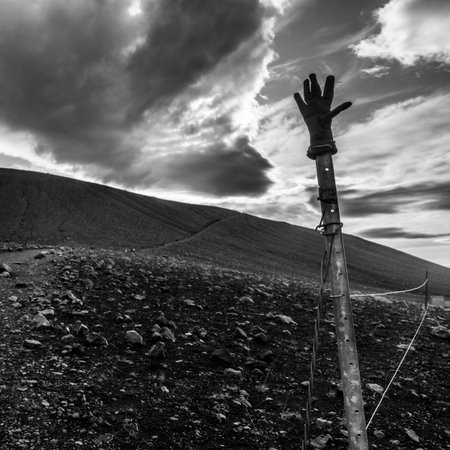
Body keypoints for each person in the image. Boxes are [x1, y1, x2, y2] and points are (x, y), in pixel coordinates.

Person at [293, 73, 352, 159]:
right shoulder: (322, 121)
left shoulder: (318, 120)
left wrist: (340, 108)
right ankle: (313, 79)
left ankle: (313, 79)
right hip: (321, 143)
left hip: (320, 143)